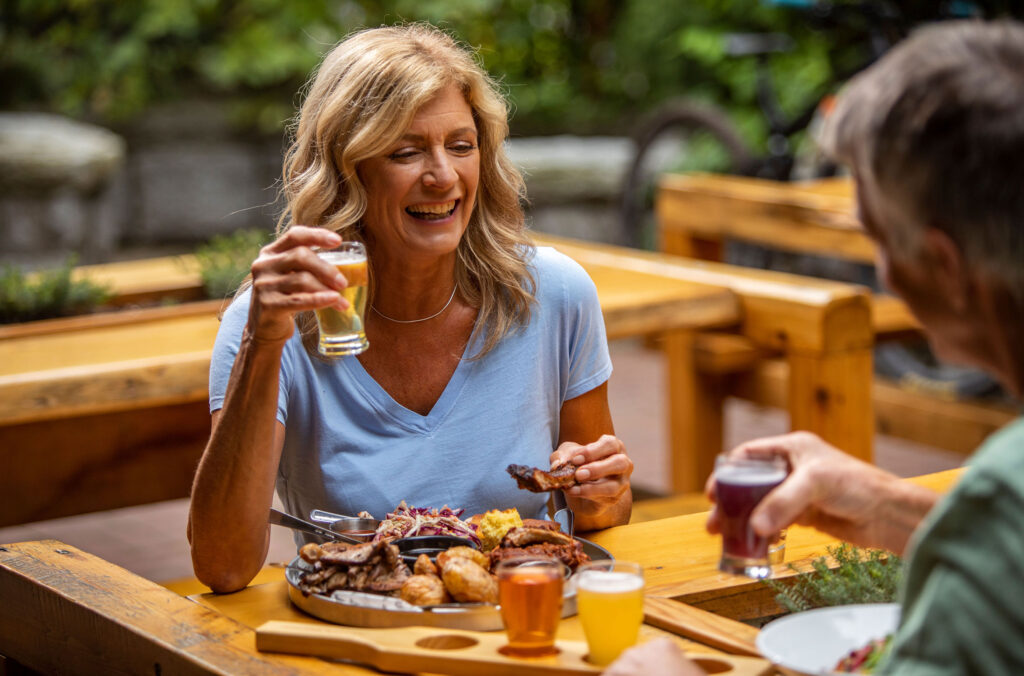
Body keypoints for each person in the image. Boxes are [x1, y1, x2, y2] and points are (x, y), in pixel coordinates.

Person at [607, 19, 1024, 676]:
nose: (883, 273)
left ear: (946, 269)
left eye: (882, 240)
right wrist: (890, 505)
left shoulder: (1004, 493)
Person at [187, 23, 633, 593]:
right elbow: (222, 567)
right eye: (406, 152)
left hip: (523, 628)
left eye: (461, 146)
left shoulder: (551, 294)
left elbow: (599, 517)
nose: (443, 177)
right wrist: (261, 344)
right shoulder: (270, 322)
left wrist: (603, 494)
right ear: (348, 172)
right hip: (359, 635)